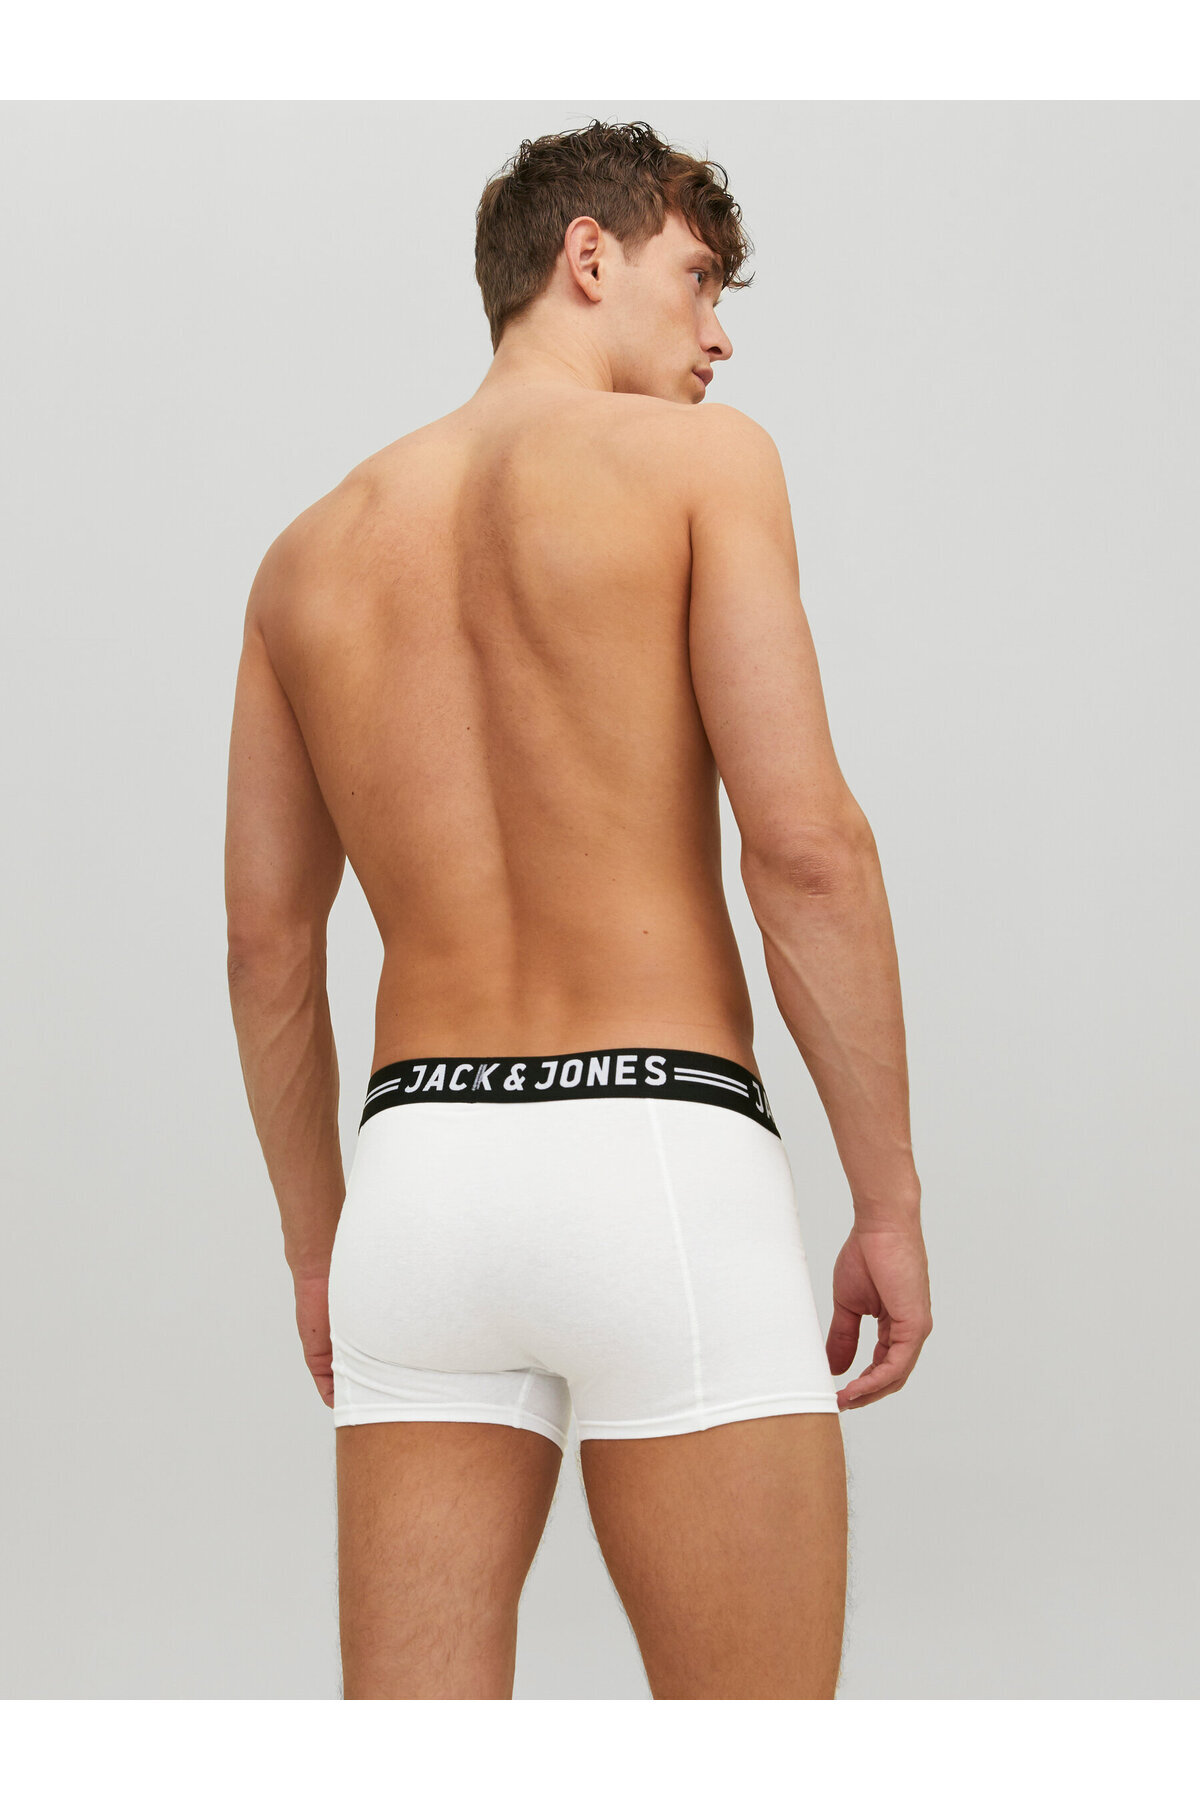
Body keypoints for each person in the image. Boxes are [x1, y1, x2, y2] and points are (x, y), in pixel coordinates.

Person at [224, 118, 931, 1701]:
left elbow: (268, 951)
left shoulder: (305, 557)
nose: (719, 334)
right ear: (588, 256)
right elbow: (806, 851)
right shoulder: (704, 467)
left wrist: (321, 1248)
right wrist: (886, 1205)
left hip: (416, 1182)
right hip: (660, 1158)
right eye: (700, 278)